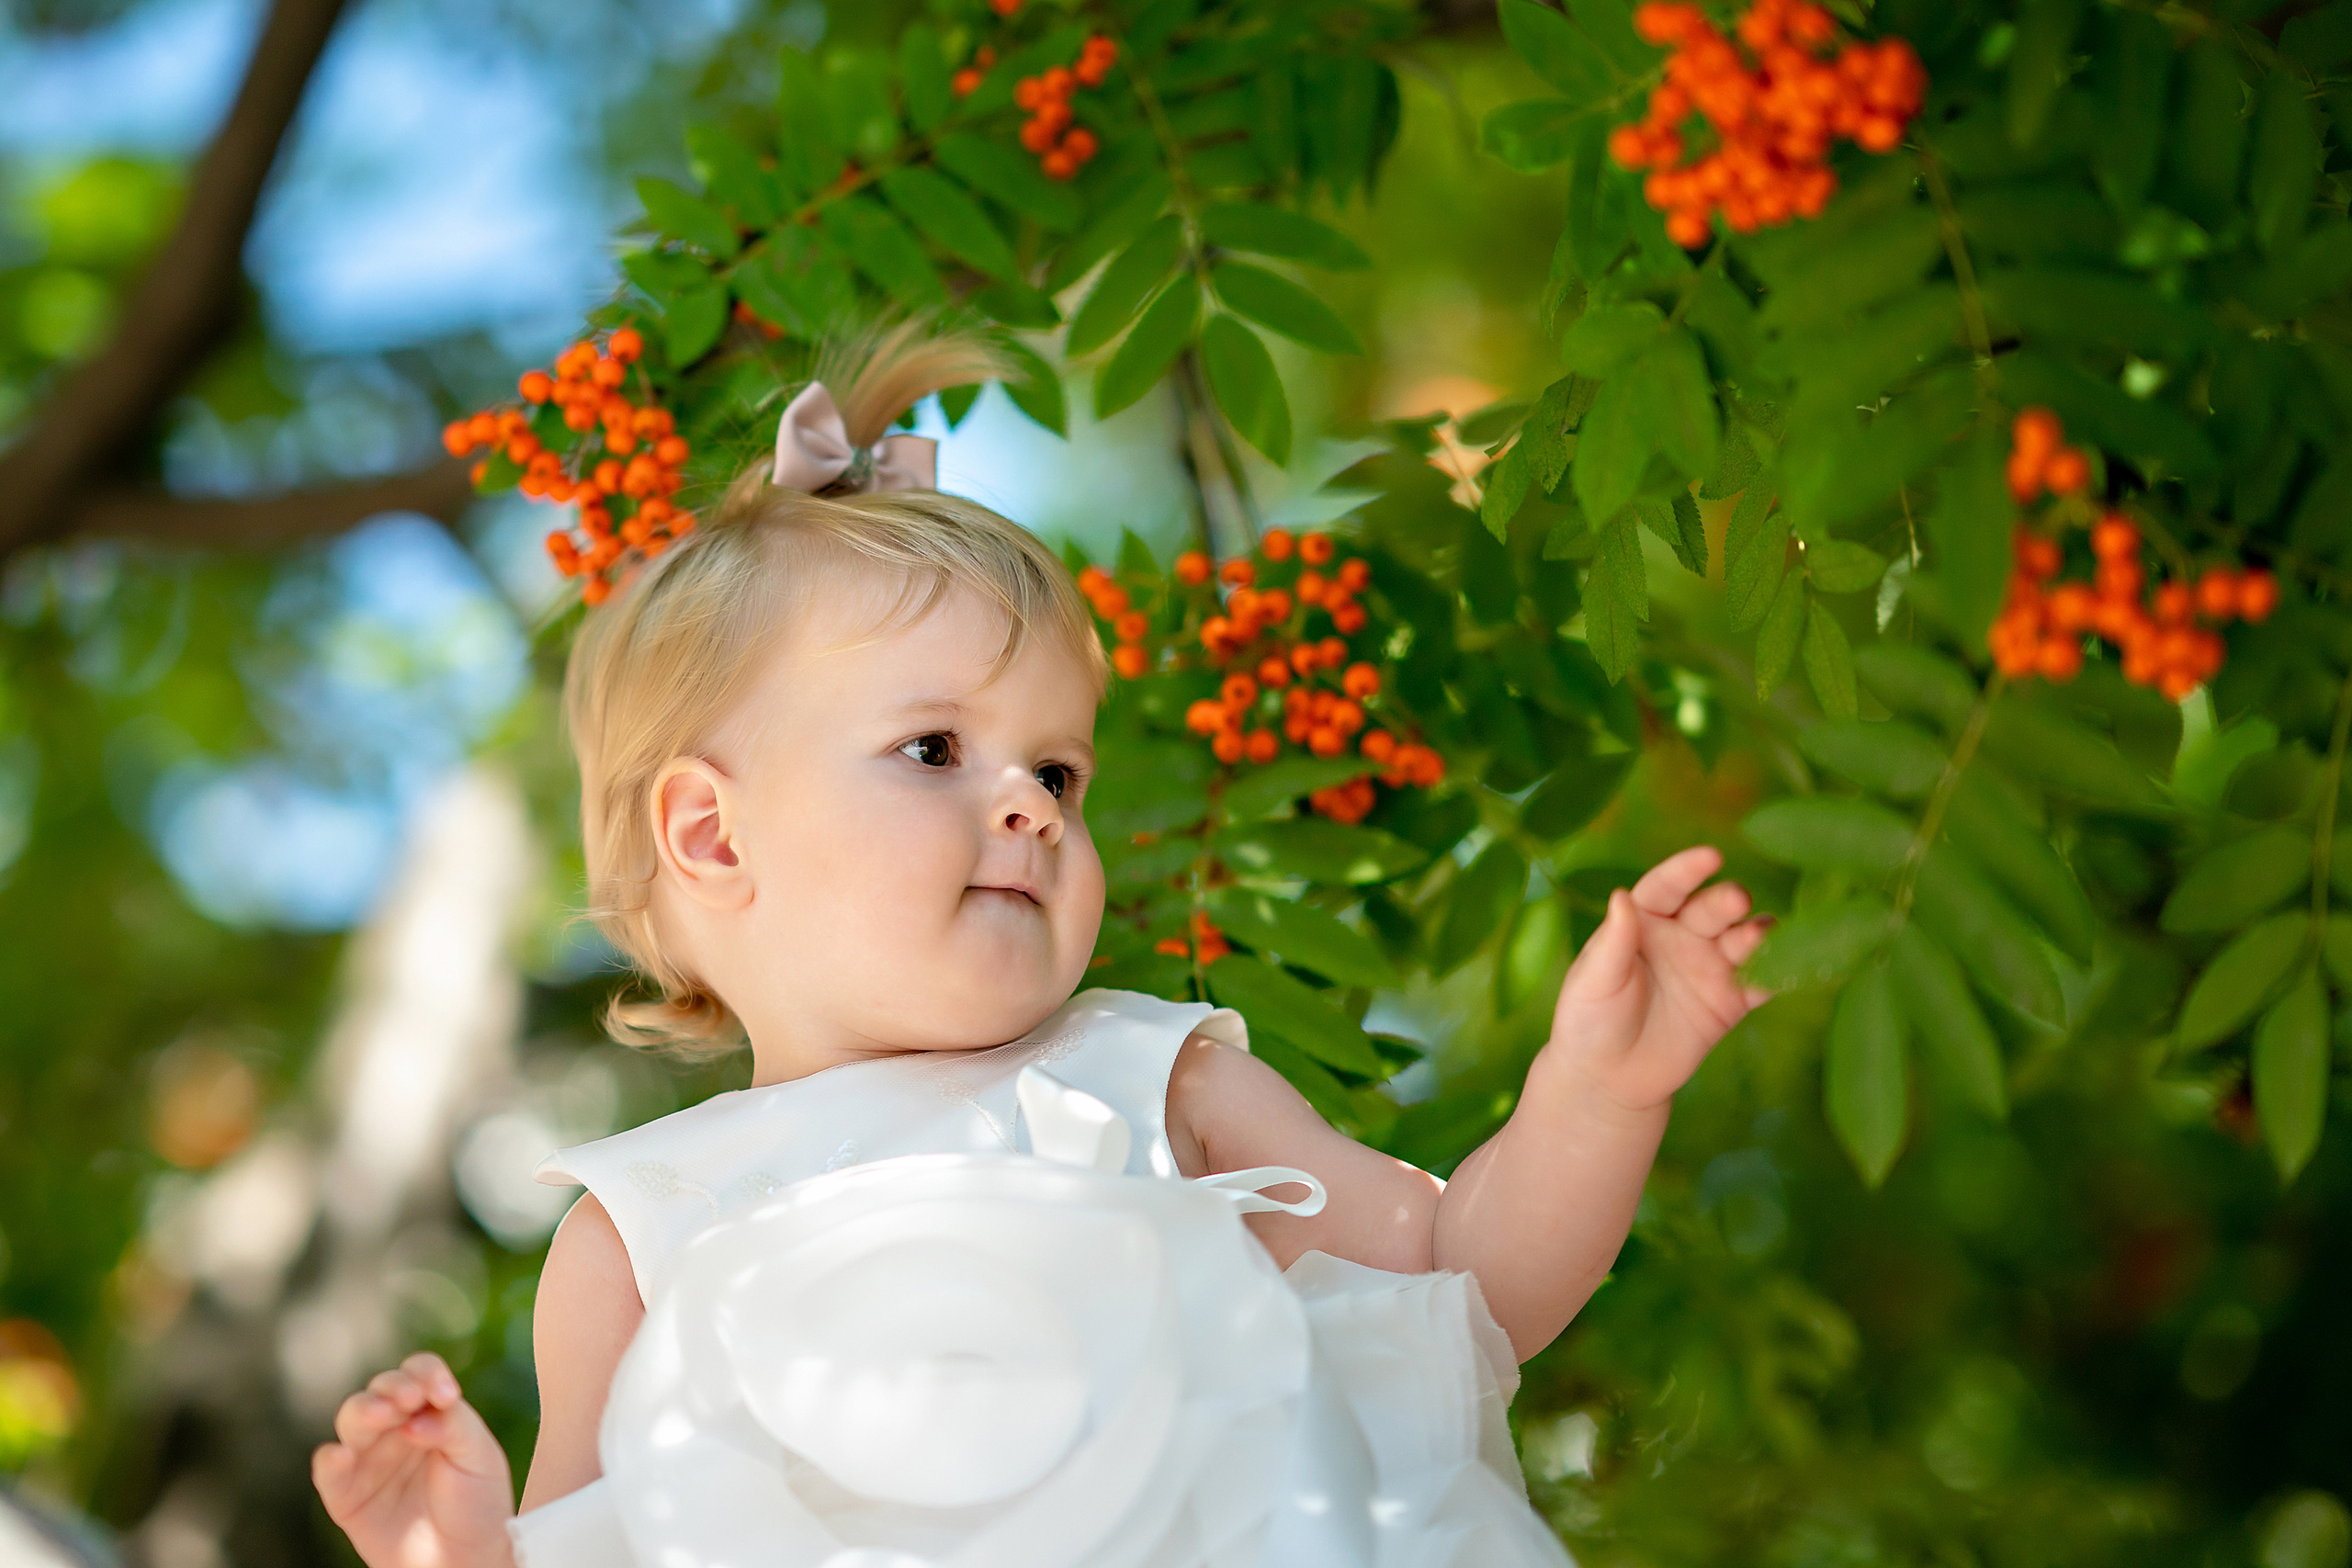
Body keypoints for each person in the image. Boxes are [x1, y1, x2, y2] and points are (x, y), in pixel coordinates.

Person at [311, 321, 1772, 1568]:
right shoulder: (635, 1233)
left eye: (1059, 771)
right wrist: (465, 1551)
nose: (1029, 805)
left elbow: (1461, 1283)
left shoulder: (1148, 1076)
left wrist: (1596, 1095)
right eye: (934, 749)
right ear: (713, 837)